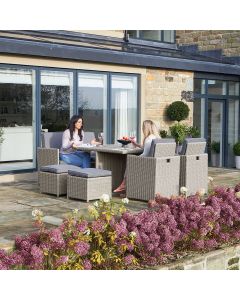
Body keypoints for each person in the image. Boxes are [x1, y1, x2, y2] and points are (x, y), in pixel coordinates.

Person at [113, 120, 160, 193]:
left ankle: (124, 184)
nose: (142, 129)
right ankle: (124, 184)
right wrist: (136, 144)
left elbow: (145, 154)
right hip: (153, 163)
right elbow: (146, 148)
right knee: (132, 158)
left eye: (143, 127)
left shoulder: (148, 139)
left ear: (146, 128)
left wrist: (135, 158)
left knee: (130, 159)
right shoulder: (155, 138)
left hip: (146, 163)